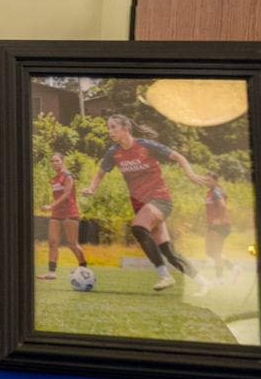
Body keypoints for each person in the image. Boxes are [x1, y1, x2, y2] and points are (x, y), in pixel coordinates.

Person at [82, 114, 214, 295]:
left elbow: (178, 156)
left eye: (113, 127)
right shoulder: (114, 152)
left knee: (137, 227)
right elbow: (99, 174)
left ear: (125, 128)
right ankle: (203, 281)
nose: (110, 131)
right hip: (140, 205)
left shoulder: (145, 145)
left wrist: (190, 174)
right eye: (108, 128)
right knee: (167, 250)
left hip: (160, 199)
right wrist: (91, 188)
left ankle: (164, 275)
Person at [38, 150, 88, 279]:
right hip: (56, 214)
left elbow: (66, 195)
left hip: (70, 214)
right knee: (53, 242)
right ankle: (51, 272)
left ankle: (84, 269)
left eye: (57, 161)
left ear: (62, 162)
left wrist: (50, 206)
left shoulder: (67, 176)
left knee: (72, 244)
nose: (54, 163)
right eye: (52, 161)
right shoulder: (54, 179)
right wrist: (53, 208)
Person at [202, 179, 242, 281]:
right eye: (206, 180)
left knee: (217, 252)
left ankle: (219, 278)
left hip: (220, 226)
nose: (207, 182)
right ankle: (234, 268)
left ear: (215, 181)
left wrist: (220, 221)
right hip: (212, 226)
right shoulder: (210, 192)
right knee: (210, 252)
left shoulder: (216, 191)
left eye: (209, 180)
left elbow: (223, 205)